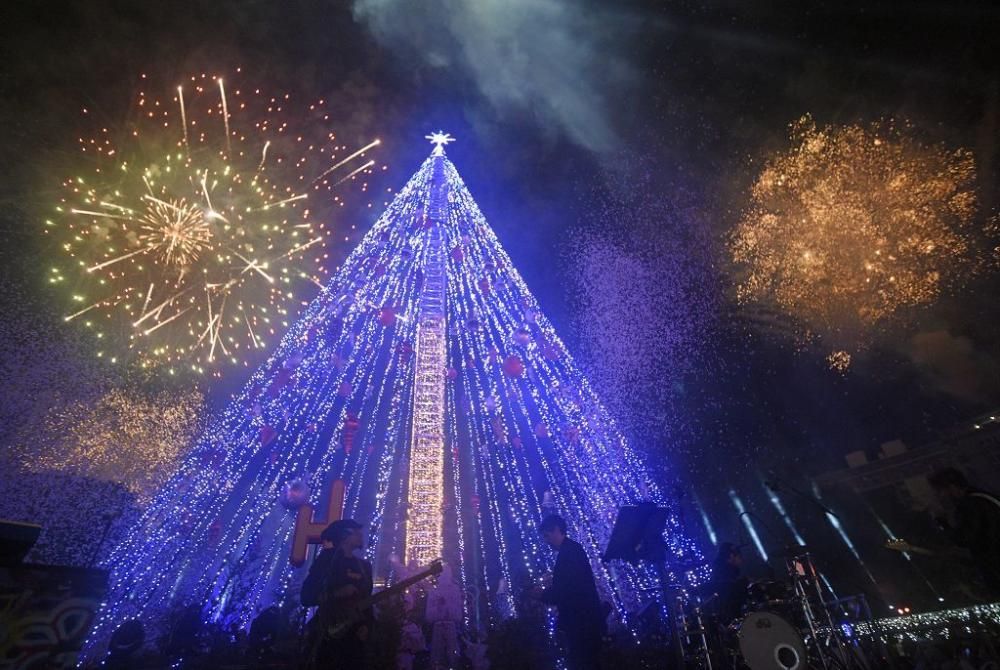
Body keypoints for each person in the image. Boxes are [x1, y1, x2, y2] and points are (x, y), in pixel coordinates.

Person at [301, 519, 373, 668]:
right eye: (356, 532)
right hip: (328, 636)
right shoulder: (326, 561)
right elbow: (307, 596)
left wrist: (367, 625)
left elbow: (367, 601)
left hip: (356, 638)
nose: (361, 536)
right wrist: (337, 593)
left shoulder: (365, 567)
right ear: (344, 536)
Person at [537, 515, 604, 670]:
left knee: (584, 662)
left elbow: (567, 590)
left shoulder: (570, 553)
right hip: (583, 621)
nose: (547, 541)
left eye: (547, 536)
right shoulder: (571, 550)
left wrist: (543, 594)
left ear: (556, 530)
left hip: (581, 623)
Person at [928, 467, 1000, 597]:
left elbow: (964, 539)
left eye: (940, 491)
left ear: (951, 487)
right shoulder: (987, 497)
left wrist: (942, 521)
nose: (940, 496)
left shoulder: (969, 505)